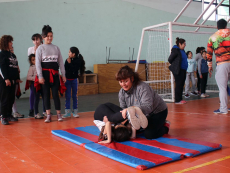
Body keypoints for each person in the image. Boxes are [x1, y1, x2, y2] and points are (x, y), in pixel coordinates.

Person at [116, 65, 169, 139]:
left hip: (157, 112)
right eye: (121, 81)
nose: (123, 84)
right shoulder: (121, 92)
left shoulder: (142, 87)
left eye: (126, 81)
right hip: (140, 115)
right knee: (127, 131)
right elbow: (123, 108)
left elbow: (148, 107)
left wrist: (132, 109)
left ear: (132, 78)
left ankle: (165, 126)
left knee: (149, 134)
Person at [36, 25, 66, 122]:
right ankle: (48, 115)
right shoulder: (40, 48)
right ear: (43, 37)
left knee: (55, 94)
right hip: (45, 75)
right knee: (46, 95)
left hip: (55, 75)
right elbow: (37, 63)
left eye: (51, 36)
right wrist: (40, 76)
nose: (49, 38)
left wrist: (63, 74)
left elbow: (61, 62)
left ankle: (58, 114)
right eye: (47, 36)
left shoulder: (56, 48)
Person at [207, 19, 230, 114]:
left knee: (222, 88)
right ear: (226, 26)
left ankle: (223, 109)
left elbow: (209, 54)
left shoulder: (212, 37)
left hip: (222, 64)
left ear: (217, 27)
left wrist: (210, 66)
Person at [0, 35, 20, 125]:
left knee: (11, 99)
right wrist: (6, 79)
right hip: (5, 81)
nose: (12, 43)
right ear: (5, 43)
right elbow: (2, 68)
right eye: (10, 42)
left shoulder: (13, 55)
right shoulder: (2, 54)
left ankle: (9, 115)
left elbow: (15, 67)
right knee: (5, 99)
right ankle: (3, 116)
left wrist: (17, 78)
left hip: (13, 80)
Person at [62, 47, 85, 118]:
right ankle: (67, 112)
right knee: (67, 96)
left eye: (69, 52)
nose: (68, 53)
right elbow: (65, 69)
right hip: (67, 80)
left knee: (74, 96)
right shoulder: (67, 60)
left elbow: (74, 69)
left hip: (74, 80)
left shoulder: (78, 60)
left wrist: (70, 63)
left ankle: (75, 111)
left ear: (73, 54)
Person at [28, 33, 46, 117]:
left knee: (44, 93)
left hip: (43, 72)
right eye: (34, 40)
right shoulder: (30, 49)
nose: (35, 41)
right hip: (34, 73)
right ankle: (32, 110)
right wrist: (35, 52)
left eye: (37, 39)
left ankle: (45, 110)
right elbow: (31, 60)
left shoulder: (44, 47)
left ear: (41, 39)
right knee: (34, 93)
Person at [168, 37, 188, 104]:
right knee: (179, 84)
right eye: (184, 44)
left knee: (182, 84)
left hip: (183, 70)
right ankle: (177, 100)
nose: (185, 45)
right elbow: (170, 59)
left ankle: (180, 98)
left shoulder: (182, 50)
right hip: (178, 70)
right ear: (180, 44)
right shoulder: (175, 50)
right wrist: (175, 65)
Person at [26, 54, 44, 119]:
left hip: (41, 83)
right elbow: (28, 77)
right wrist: (36, 78)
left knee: (44, 97)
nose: (35, 61)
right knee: (36, 98)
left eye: (36, 59)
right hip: (35, 84)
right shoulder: (32, 67)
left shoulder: (41, 66)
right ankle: (36, 113)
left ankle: (45, 111)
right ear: (31, 61)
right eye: (33, 60)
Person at [10, 46, 24, 118]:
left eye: (13, 49)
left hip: (15, 80)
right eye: (10, 49)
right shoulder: (5, 57)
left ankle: (14, 112)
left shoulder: (14, 57)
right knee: (7, 97)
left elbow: (16, 69)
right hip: (8, 80)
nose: (12, 51)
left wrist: (17, 78)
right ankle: (6, 113)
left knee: (13, 97)